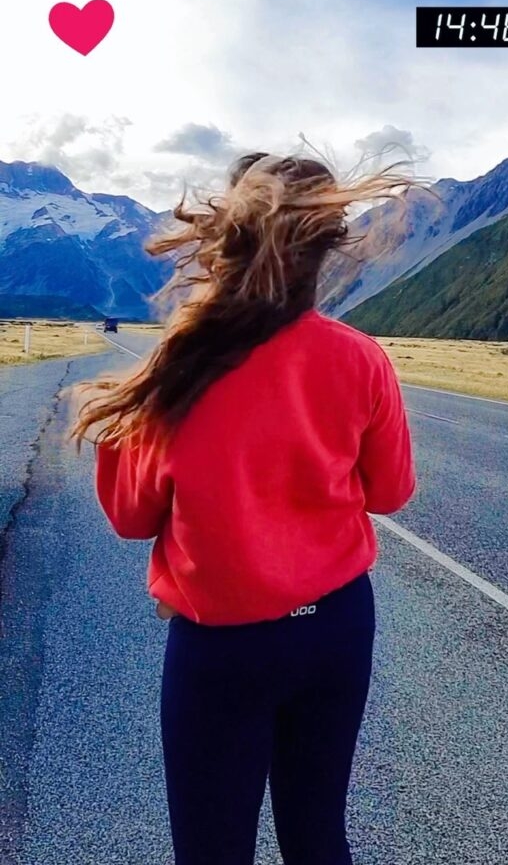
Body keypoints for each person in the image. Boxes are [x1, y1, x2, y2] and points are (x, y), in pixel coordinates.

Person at [64, 141, 438, 865]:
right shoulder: (360, 358)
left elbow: (130, 517)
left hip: (222, 647)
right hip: (335, 631)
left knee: (212, 850)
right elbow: (391, 492)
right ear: (327, 246)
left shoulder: (184, 361)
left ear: (225, 237)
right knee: (318, 833)